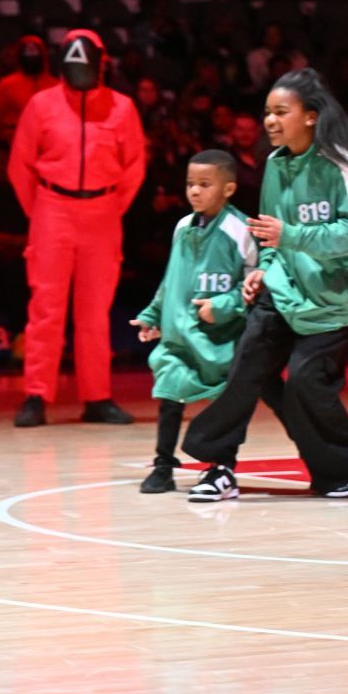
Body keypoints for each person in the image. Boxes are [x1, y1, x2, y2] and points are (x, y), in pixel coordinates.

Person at [176, 70, 348, 502]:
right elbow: (269, 236)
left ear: (310, 116)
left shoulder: (339, 164)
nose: (270, 121)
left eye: (280, 112)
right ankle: (219, 467)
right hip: (284, 288)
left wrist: (291, 236)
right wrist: (262, 270)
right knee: (245, 367)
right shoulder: (274, 164)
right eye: (267, 112)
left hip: (334, 296)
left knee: (306, 381)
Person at [8, 29, 147, 427]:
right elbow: (20, 165)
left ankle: (97, 396)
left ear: (101, 63)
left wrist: (110, 207)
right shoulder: (41, 105)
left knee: (95, 312)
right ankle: (36, 394)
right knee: (46, 307)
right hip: (52, 207)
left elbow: (135, 165)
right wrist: (40, 213)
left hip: (102, 210)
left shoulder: (122, 107)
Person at [131, 151, 256, 494]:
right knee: (170, 396)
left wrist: (223, 306)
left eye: (204, 184)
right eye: (190, 184)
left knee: (223, 406)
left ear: (229, 188)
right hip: (180, 336)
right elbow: (172, 280)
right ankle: (163, 464)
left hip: (221, 338)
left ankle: (222, 467)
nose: (195, 192)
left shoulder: (241, 230)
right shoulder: (182, 228)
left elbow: (254, 287)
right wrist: (152, 314)